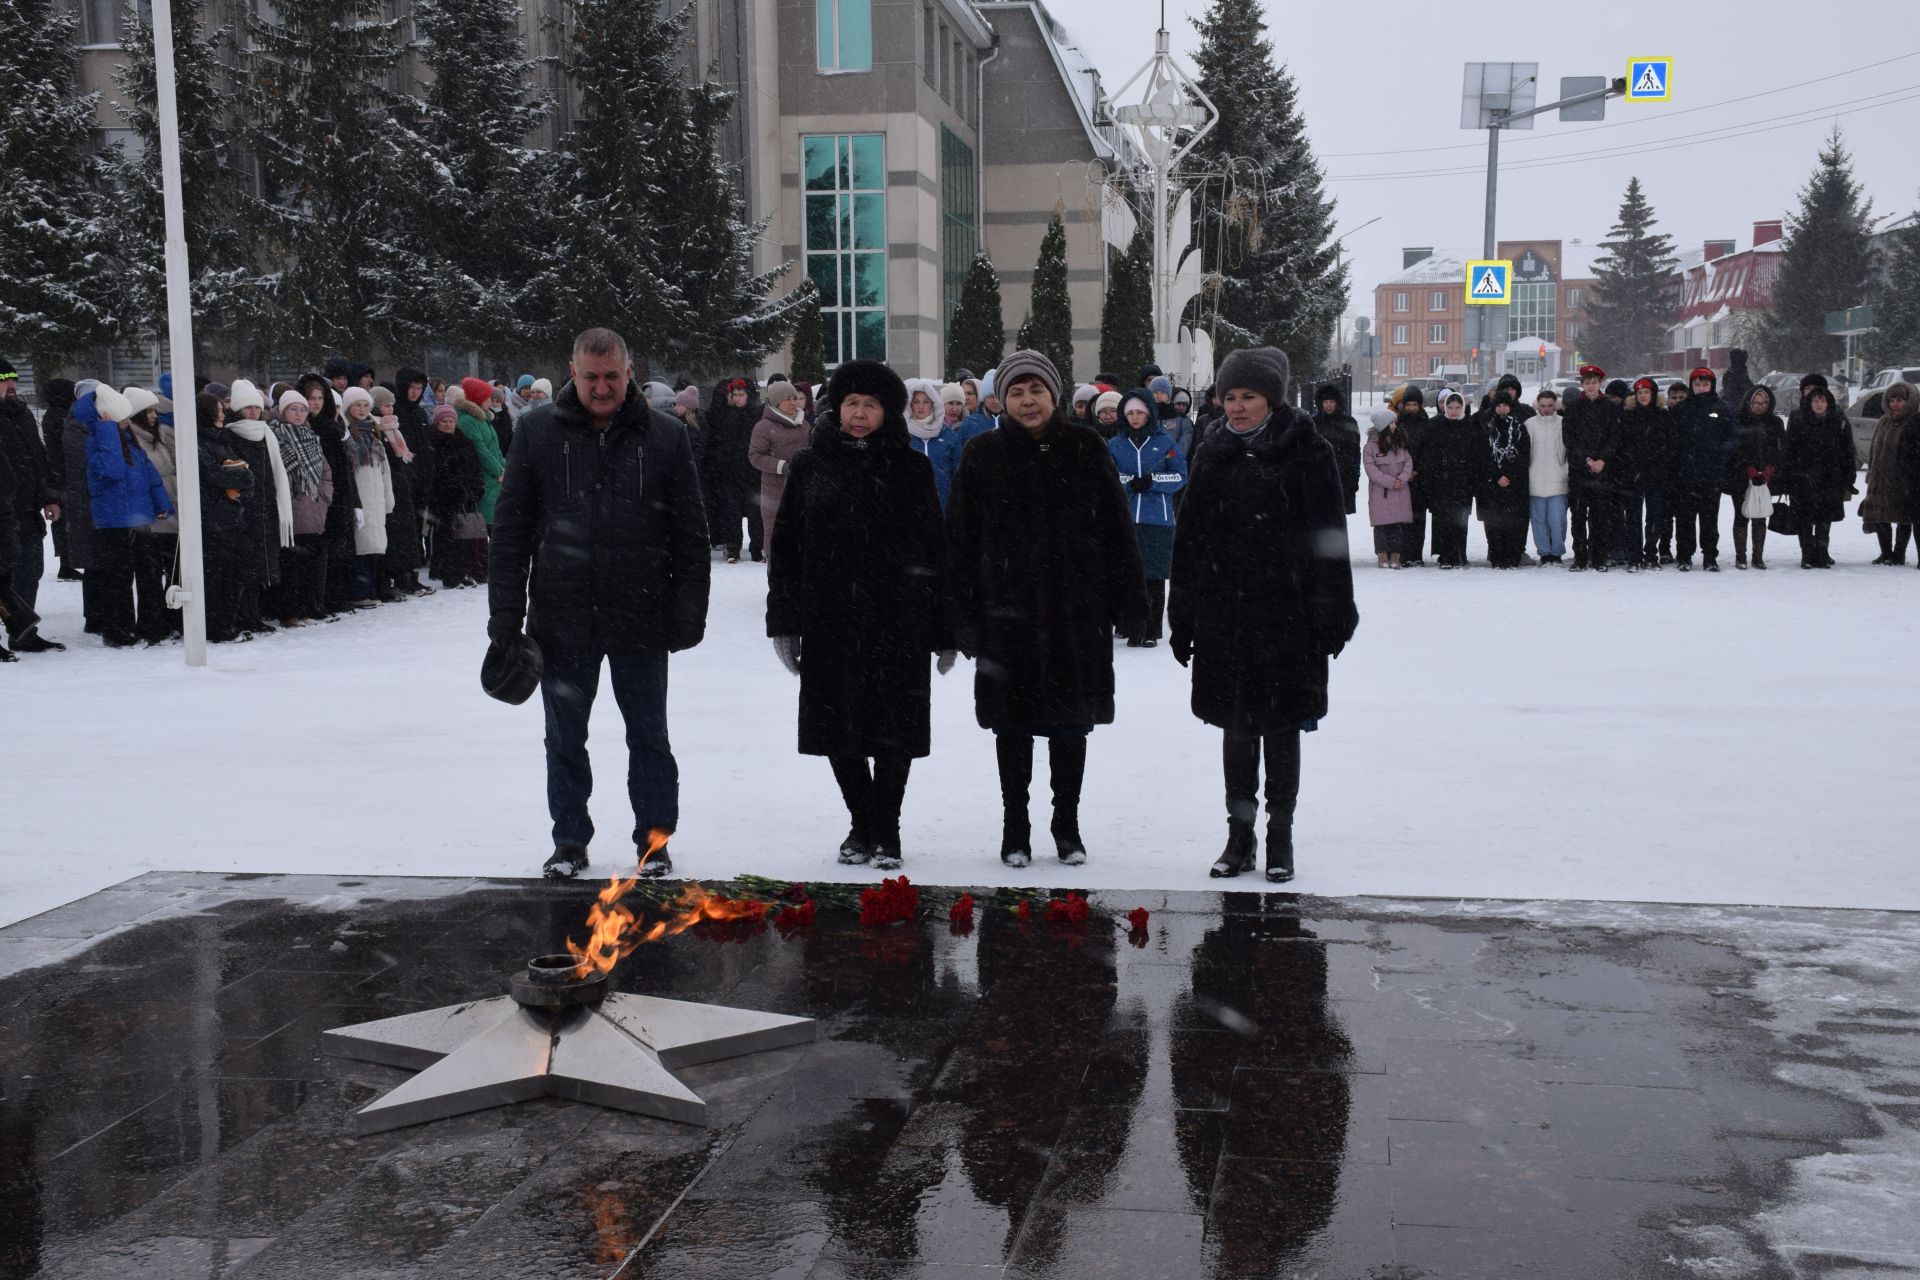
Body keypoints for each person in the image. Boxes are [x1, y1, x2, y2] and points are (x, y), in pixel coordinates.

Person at [488, 327, 711, 881]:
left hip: (641, 614)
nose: (602, 387)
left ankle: (654, 844)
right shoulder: (537, 432)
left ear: (628, 371)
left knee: (649, 737)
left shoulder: (664, 436)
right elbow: (512, 530)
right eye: (591, 377)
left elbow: (691, 535)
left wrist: (688, 612)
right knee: (564, 737)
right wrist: (504, 616)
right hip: (562, 618)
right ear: (573, 372)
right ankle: (569, 841)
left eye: (612, 376)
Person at [946, 349, 1145, 870]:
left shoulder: (1084, 447)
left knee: (1069, 725)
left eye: (1036, 390)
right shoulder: (981, 454)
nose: (1027, 400)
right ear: (1001, 399)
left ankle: (1067, 824)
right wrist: (961, 612)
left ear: (1054, 396)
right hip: (1004, 613)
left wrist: (1128, 597)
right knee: (1011, 727)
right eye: (1016, 391)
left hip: (1073, 611)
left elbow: (1115, 527)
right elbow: (960, 540)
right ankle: (1016, 825)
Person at [1170, 347, 1356, 884]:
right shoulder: (1212, 452)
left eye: (1248, 396)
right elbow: (1191, 541)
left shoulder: (1308, 452)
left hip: (1288, 617)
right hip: (1225, 618)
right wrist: (1182, 615)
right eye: (1229, 397)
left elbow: (1330, 540)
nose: (1237, 407)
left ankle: (1280, 835)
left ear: (1270, 398)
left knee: (1280, 728)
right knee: (1235, 729)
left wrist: (1331, 611)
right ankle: (1239, 834)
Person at [766, 360, 951, 871]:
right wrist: (784, 620)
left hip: (899, 620)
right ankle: (861, 820)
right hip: (831, 618)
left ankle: (885, 827)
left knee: (896, 727)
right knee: (835, 726)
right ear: (837, 408)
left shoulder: (911, 467)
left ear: (887, 411)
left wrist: (943, 626)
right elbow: (787, 549)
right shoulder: (810, 465)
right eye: (852, 404)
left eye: (871, 405)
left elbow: (935, 548)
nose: (860, 414)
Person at [86, 387, 176, 648]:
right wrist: (107, 431)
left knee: (149, 574)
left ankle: (151, 625)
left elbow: (150, 475)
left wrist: (161, 504)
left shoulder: (129, 442)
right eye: (122, 416)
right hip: (113, 522)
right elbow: (112, 470)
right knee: (119, 579)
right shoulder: (97, 441)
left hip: (140, 519)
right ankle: (118, 631)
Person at [1108, 390, 1187, 647]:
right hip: (1126, 519)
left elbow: (1179, 476)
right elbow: (1107, 476)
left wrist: (1153, 481)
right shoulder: (1116, 444)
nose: (1135, 417)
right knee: (1128, 575)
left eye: (1139, 412)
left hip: (1158, 520)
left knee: (1153, 578)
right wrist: (1130, 482)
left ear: (1149, 413)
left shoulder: (1165, 443)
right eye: (1130, 413)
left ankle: (1151, 631)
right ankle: (1132, 628)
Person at [0, 363, 64, 652]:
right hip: (3, 512)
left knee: (30, 571)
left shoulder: (22, 414)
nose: (10, 384)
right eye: (3, 380)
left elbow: (38, 458)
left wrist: (49, 496)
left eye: (13, 378)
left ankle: (23, 631)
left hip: (25, 511)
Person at [224, 380, 292, 629]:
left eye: (256, 407)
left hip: (266, 507)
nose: (253, 412)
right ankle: (245, 616)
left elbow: (274, 472)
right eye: (247, 408)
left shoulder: (266, 433)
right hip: (245, 510)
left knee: (261, 565)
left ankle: (254, 614)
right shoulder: (231, 435)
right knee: (246, 566)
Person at [193, 392, 261, 642]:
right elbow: (213, 474)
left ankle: (229, 621)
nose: (222, 414)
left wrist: (243, 479)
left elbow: (240, 472)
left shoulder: (220, 440)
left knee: (235, 572)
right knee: (218, 576)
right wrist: (240, 476)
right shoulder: (199, 441)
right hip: (214, 518)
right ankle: (219, 626)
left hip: (231, 515)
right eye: (218, 410)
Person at [268, 389, 333, 623]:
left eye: (302, 409)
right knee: (291, 564)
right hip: (289, 508)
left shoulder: (311, 437)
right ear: (283, 411)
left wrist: (325, 497)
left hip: (314, 507)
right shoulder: (274, 435)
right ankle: (289, 611)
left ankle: (308, 606)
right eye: (293, 409)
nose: (298, 414)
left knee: (310, 564)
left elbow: (325, 471)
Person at [124, 390, 180, 644]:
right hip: (150, 520)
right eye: (148, 411)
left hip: (169, 516)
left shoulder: (157, 439)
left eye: (154, 411)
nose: (154, 416)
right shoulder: (133, 441)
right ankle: (150, 624)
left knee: (172, 572)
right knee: (149, 576)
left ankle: (168, 619)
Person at [1783, 377, 1854, 569]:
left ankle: (1821, 553)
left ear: (1829, 402)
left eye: (1823, 400)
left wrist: (1849, 474)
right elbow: (1789, 449)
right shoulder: (1799, 419)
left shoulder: (1837, 420)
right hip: (1803, 478)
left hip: (1830, 478)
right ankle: (1807, 555)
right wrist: (1789, 474)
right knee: (1804, 519)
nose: (1819, 404)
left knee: (1824, 518)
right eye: (1816, 400)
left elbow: (1848, 449)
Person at [1670, 367, 1736, 571]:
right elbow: (1673, 440)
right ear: (1692, 386)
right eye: (1697, 384)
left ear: (1712, 385)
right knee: (1685, 519)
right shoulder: (1681, 409)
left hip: (1711, 475)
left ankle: (1710, 556)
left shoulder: (1722, 408)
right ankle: (1684, 556)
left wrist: (1719, 454)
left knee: (1709, 519)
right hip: (1686, 475)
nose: (1701, 388)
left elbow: (1732, 438)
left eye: (1705, 384)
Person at [342, 387, 397, 605]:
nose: (363, 410)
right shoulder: (348, 436)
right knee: (361, 546)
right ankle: (361, 591)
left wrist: (388, 497)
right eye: (358, 405)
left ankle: (372, 587)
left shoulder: (374, 433)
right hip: (360, 497)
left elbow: (385, 471)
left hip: (376, 497)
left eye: (366, 405)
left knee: (375, 545)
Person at [1562, 364, 1620, 572]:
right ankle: (1580, 557)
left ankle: (1598, 557)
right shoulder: (1574, 408)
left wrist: (1602, 459)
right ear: (1582, 385)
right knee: (1578, 516)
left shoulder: (1610, 408)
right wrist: (1586, 460)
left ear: (1600, 384)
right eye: (1587, 382)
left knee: (1600, 517)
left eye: (1594, 382)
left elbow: (1614, 437)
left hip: (1603, 471)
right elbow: (1569, 438)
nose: (1590, 386)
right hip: (1579, 470)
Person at [706, 377, 764, 562]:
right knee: (730, 512)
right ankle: (732, 548)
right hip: (729, 472)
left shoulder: (757, 415)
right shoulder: (724, 414)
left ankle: (757, 548)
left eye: (741, 394)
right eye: (734, 394)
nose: (737, 398)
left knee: (756, 514)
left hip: (752, 472)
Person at [1727, 386, 1786, 570]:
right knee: (1742, 514)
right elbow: (1734, 449)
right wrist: (1747, 467)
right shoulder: (1739, 421)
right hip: (1741, 476)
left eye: (1764, 403)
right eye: (1756, 403)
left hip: (1766, 476)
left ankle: (1758, 556)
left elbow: (1781, 449)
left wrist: (1771, 469)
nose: (1759, 406)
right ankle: (1741, 556)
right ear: (1748, 402)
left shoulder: (1775, 422)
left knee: (1760, 516)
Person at [748, 380, 809, 555]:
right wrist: (782, 466)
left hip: (803, 489)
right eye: (787, 399)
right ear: (775, 402)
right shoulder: (763, 427)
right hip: (775, 491)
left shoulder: (804, 425)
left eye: (795, 398)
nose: (793, 403)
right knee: (776, 533)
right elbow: (755, 456)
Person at [63, 382, 104, 631]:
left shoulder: (84, 426)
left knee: (100, 561)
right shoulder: (77, 427)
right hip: (85, 500)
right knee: (94, 561)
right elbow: (87, 460)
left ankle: (100, 613)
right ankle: (95, 616)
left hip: (91, 499)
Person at [1423, 391, 1479, 569]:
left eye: (1457, 407)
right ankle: (1445, 555)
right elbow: (1429, 454)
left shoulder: (1470, 425)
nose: (1454, 411)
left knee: (1461, 519)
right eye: (1450, 407)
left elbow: (1477, 454)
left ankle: (1459, 553)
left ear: (1463, 407)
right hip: (1442, 480)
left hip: (1463, 480)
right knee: (1443, 519)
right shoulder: (1435, 425)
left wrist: (1473, 478)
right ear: (1444, 407)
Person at [1860, 381, 1914, 565]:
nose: (1895, 404)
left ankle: (1899, 554)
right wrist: (1871, 474)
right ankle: (1885, 552)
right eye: (1892, 400)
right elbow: (1874, 449)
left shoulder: (1913, 421)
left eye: (1899, 400)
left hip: (1901, 479)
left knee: (1903, 518)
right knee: (1880, 515)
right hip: (1880, 478)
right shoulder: (1884, 421)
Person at [1615, 378, 1666, 570]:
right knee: (1633, 517)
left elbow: (1670, 444)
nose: (1643, 396)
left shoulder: (1662, 416)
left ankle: (1651, 554)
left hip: (1656, 473)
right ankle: (1635, 555)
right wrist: (1629, 464)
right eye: (1640, 392)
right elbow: (1622, 444)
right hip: (1632, 473)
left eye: (1646, 392)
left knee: (1654, 516)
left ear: (1653, 394)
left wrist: (1659, 461)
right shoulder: (1628, 417)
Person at [1478, 392, 1531, 568]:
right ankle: (1497, 555)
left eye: (1505, 405)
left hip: (1514, 483)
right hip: (1493, 484)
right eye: (1498, 405)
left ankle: (1512, 555)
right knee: (1495, 522)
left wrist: (1509, 475)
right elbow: (1483, 456)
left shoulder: (1519, 428)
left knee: (1513, 522)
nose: (1502, 409)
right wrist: (1496, 476)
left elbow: (1524, 455)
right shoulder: (1487, 428)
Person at [454, 377, 507, 529]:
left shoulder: (483, 419)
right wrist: (499, 470)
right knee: (485, 527)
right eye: (488, 397)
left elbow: (495, 450)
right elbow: (480, 450)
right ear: (479, 398)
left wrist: (504, 467)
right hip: (484, 478)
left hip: (494, 479)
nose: (492, 401)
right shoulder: (468, 421)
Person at [901, 378, 962, 510]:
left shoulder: (949, 436)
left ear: (934, 404)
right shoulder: (902, 436)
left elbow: (958, 476)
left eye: (926, 401)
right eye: (916, 402)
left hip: (944, 508)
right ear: (910, 405)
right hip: (910, 511)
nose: (921, 406)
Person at [1363, 413, 1414, 568]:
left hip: (1400, 491)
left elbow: (1408, 462)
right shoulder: (1370, 446)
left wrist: (1402, 479)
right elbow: (1371, 469)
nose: (1394, 426)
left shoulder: (1400, 442)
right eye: (1391, 423)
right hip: (1381, 492)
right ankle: (1382, 555)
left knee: (1397, 525)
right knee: (1381, 526)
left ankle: (1396, 556)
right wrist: (1391, 482)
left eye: (1394, 422)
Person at [1525, 389, 1569, 564]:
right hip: (1535, 480)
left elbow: (1568, 450)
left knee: (1557, 521)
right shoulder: (1529, 424)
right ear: (1538, 405)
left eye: (1550, 405)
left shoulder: (1563, 423)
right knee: (1539, 521)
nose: (1546, 409)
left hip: (1558, 480)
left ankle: (1556, 552)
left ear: (1555, 405)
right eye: (1543, 406)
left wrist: (1566, 471)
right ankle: (1544, 552)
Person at [1311, 384, 1362, 517]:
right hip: (1318, 479)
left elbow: (1355, 454)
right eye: (1325, 401)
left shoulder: (1349, 423)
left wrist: (1353, 481)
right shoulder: (1313, 423)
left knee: (1339, 524)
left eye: (1331, 401)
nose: (1328, 405)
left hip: (1343, 478)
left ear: (1337, 403)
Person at [1393, 386, 1431, 565]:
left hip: (1420, 479)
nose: (1412, 408)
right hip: (1402, 478)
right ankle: (1404, 554)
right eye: (1409, 404)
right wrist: (1405, 471)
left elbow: (1429, 451)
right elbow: (1395, 451)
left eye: (1415, 404)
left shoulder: (1426, 424)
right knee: (1403, 518)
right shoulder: (1398, 425)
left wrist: (1418, 469)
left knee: (1418, 518)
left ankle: (1416, 554)